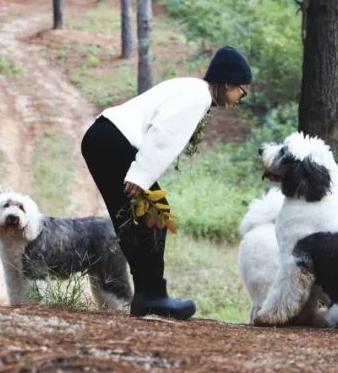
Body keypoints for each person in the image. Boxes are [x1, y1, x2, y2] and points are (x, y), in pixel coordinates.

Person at [80, 45, 252, 320]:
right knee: (157, 214)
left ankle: (146, 295)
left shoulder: (193, 89)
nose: (241, 98)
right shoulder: (198, 96)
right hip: (112, 140)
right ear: (228, 82)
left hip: (102, 138)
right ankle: (152, 295)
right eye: (242, 91)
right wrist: (141, 175)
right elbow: (164, 135)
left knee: (131, 219)